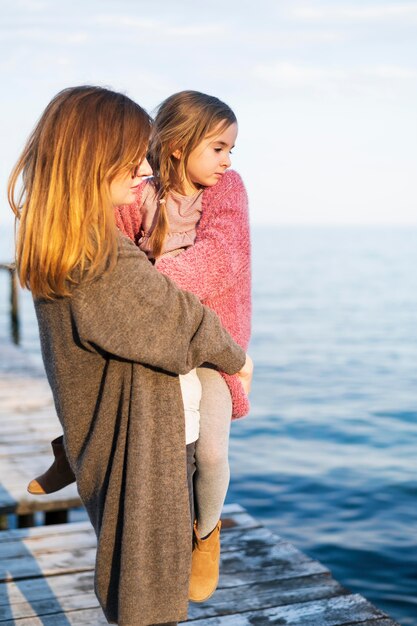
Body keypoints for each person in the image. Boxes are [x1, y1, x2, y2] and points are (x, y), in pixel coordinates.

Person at [9, 85, 252, 626]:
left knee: (141, 583)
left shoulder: (72, 237)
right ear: (93, 161)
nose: (145, 168)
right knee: (149, 595)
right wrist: (235, 357)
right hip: (144, 444)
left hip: (122, 433)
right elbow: (167, 317)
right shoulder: (97, 250)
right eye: (132, 155)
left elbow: (165, 298)